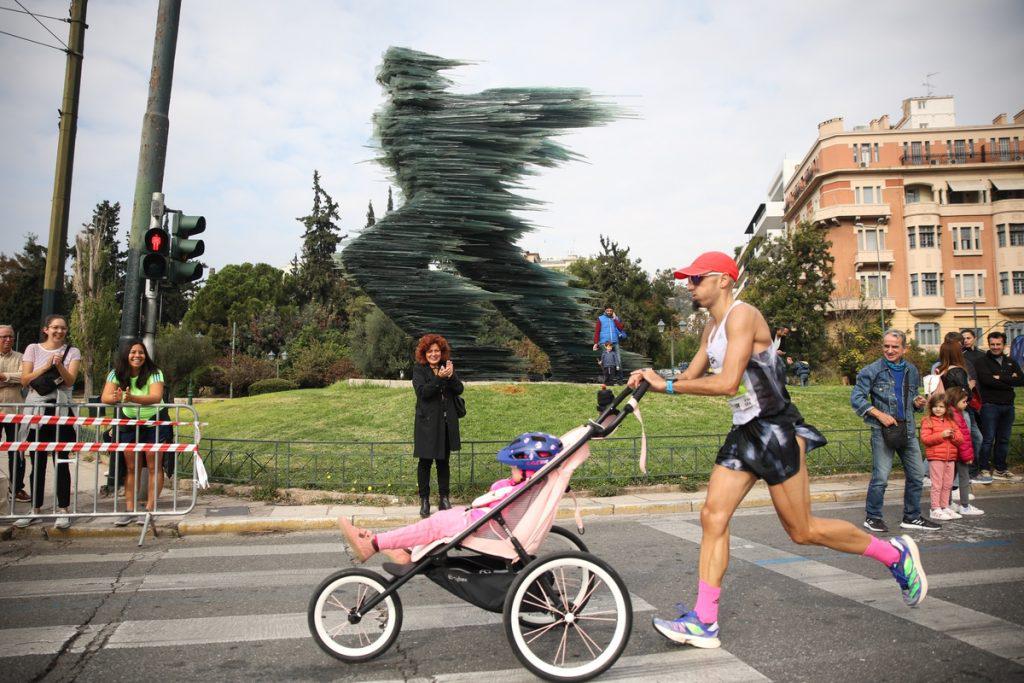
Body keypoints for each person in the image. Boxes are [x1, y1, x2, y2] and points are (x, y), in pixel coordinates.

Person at [628, 251, 927, 651]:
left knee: (803, 531)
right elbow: (688, 377)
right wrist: (650, 379)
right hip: (744, 431)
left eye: (697, 278)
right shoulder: (711, 328)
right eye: (688, 279)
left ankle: (894, 555)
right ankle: (705, 620)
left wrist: (665, 386)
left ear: (724, 280)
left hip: (777, 430)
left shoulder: (743, 315)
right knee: (712, 515)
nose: (690, 286)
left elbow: (727, 382)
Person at [338, 432, 561, 564]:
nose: (511, 471)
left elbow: (500, 499)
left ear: (528, 470)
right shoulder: (527, 487)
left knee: (434, 524)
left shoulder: (520, 490)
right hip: (483, 521)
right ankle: (400, 548)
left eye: (514, 468)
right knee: (433, 523)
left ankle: (375, 544)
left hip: (483, 525)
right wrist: (510, 482)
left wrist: (506, 485)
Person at [852, 329, 939, 533]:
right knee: (881, 477)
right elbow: (857, 399)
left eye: (894, 347)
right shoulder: (871, 371)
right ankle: (872, 517)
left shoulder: (911, 370)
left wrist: (917, 403)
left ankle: (912, 516)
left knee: (917, 475)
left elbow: (910, 400)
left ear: (904, 349)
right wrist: (879, 414)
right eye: (886, 346)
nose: (889, 350)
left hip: (907, 429)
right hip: (882, 430)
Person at [13, 315, 81, 530]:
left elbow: (70, 380)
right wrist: (45, 367)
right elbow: (25, 380)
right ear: (46, 329)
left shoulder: (73, 351)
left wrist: (60, 365)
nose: (59, 332)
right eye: (55, 328)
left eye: (62, 328)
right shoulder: (33, 349)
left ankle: (63, 509)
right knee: (37, 459)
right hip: (37, 409)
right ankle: (35, 508)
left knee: (61, 460)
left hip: (61, 409)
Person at [101, 340, 171, 526]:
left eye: (141, 352)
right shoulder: (116, 373)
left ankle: (150, 509)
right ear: (126, 354)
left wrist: (132, 398)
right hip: (130, 423)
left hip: (155, 420)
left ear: (145, 355)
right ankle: (130, 510)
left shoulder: (155, 373)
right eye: (133, 352)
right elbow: (105, 397)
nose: (137, 356)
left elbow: (156, 397)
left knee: (154, 464)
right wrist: (115, 399)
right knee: (132, 467)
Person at [412, 334, 464, 518]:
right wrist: (440, 379)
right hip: (426, 424)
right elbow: (423, 392)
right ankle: (424, 500)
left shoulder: (446, 367)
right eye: (430, 351)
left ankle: (444, 498)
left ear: (442, 352)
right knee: (425, 462)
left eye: (437, 351)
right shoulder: (419, 370)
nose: (434, 354)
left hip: (445, 423)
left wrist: (450, 377)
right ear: (424, 353)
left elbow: (459, 389)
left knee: (443, 462)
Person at [973, 331, 1024, 481]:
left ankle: (1000, 469)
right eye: (992, 344)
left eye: (998, 344)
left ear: (1004, 345)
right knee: (988, 438)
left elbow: (1021, 380)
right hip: (990, 406)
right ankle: (984, 468)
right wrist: (1009, 379)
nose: (995, 347)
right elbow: (987, 381)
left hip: (1008, 406)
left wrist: (1000, 377)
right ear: (989, 345)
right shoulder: (981, 362)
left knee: (1004, 439)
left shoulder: (1011, 361)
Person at [919, 392, 961, 521]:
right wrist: (941, 435)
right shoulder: (928, 421)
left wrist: (953, 435)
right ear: (931, 407)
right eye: (935, 406)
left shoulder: (951, 421)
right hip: (936, 457)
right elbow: (925, 439)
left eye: (941, 407)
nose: (938, 409)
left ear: (946, 408)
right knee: (937, 484)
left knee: (948, 484)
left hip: (950, 458)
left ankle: (945, 506)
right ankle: (935, 508)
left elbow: (960, 439)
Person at [0, 325, 28, 504]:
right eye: (4, 337)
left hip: (15, 412)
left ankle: (17, 488)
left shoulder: (21, 357)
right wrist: (13, 379)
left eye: (10, 336)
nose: (8, 340)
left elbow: (25, 377)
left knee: (17, 451)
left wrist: (4, 377)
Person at [945, 387, 983, 516]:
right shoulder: (958, 416)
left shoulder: (948, 413)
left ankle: (948, 503)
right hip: (960, 454)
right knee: (964, 478)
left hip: (951, 453)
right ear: (955, 401)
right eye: (964, 401)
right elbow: (963, 439)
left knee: (949, 479)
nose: (966, 404)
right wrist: (967, 456)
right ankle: (965, 506)